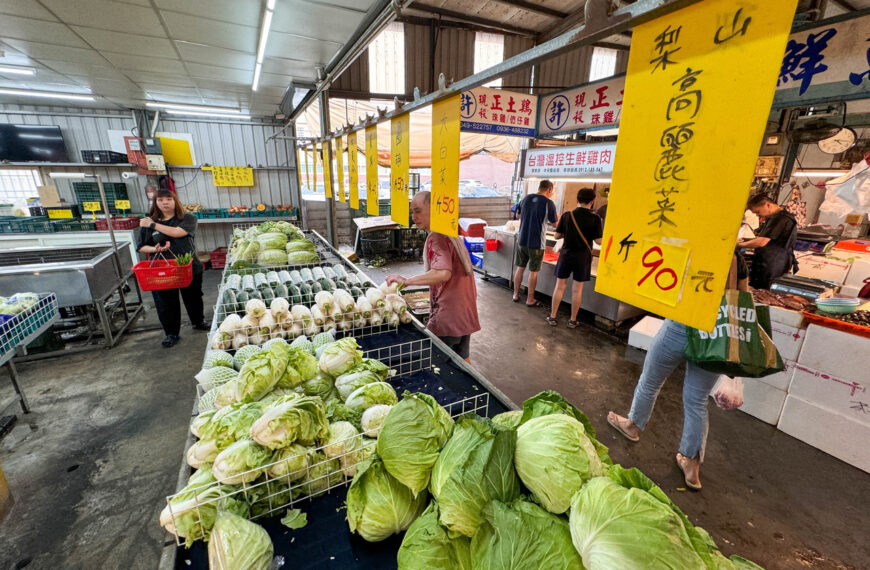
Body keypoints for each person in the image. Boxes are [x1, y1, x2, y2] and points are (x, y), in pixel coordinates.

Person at [606, 255, 748, 491]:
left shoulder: (692, 244)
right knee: (697, 399)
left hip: (680, 324)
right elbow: (743, 297)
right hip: (714, 333)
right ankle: (691, 464)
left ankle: (633, 426)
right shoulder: (736, 258)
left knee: (650, 381)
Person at [386, 191, 480, 361]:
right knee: (463, 362)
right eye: (412, 212)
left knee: (437, 364)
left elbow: (442, 273)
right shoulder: (450, 232)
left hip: (449, 316)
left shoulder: (436, 236)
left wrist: (406, 281)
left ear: (434, 209)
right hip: (465, 311)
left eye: (418, 211)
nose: (414, 217)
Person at [137, 188, 207, 347]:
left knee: (194, 297)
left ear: (175, 200)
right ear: (155, 203)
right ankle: (171, 333)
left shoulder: (187, 218)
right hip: (162, 270)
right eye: (160, 200)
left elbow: (177, 233)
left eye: (168, 199)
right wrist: (156, 249)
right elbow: (142, 247)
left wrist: (153, 225)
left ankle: (198, 321)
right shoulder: (148, 222)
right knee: (166, 302)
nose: (165, 203)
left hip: (188, 266)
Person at [546, 188, 602, 328]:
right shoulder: (595, 218)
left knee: (560, 286)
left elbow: (557, 236)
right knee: (577, 289)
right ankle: (572, 320)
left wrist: (568, 233)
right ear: (592, 201)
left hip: (566, 255)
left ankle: (552, 317)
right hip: (582, 257)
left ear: (577, 200)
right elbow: (599, 241)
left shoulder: (567, 215)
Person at [738, 194, 798, 289]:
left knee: (765, 294)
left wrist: (739, 245)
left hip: (773, 266)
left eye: (758, 212)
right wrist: (745, 240)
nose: (758, 215)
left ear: (767, 205)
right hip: (767, 263)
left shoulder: (781, 219)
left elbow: (762, 242)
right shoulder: (773, 218)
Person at [513, 180, 557, 306]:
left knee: (520, 268)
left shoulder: (526, 198)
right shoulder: (549, 203)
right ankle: (530, 299)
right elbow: (555, 224)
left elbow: (518, 215)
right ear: (549, 190)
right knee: (533, 272)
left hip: (522, 240)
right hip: (537, 243)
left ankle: (515, 294)